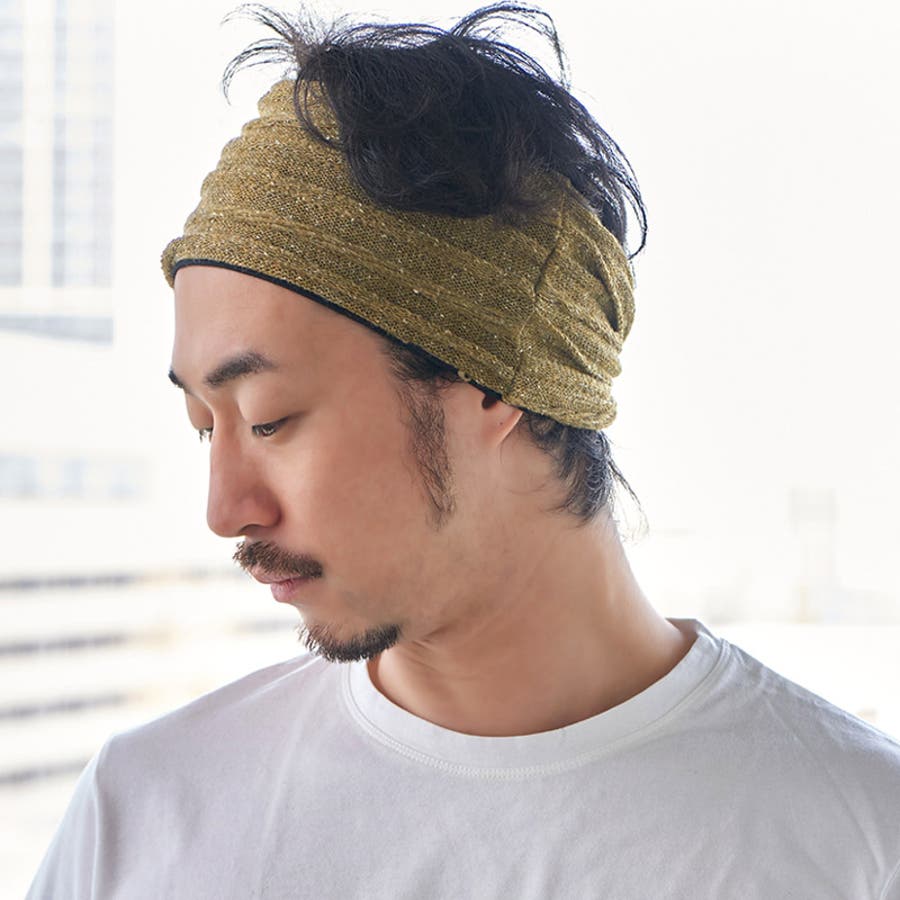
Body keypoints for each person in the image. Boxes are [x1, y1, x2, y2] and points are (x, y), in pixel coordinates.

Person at [28, 4, 900, 897]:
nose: (225, 511)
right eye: (204, 427)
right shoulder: (143, 818)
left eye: (269, 419)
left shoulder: (859, 842)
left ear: (493, 379)